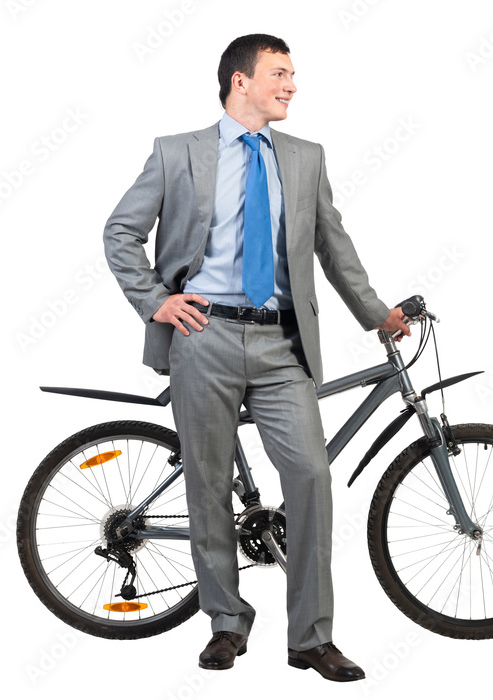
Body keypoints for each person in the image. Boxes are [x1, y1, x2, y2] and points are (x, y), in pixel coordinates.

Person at [103, 33, 410, 682]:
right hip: (202, 340)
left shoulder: (304, 157)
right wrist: (157, 302)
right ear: (240, 82)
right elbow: (121, 232)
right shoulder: (176, 153)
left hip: (281, 345)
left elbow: (334, 244)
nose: (292, 84)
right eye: (280, 73)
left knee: (311, 478)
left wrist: (375, 310)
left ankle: (311, 638)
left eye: (294, 74)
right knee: (207, 486)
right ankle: (225, 622)